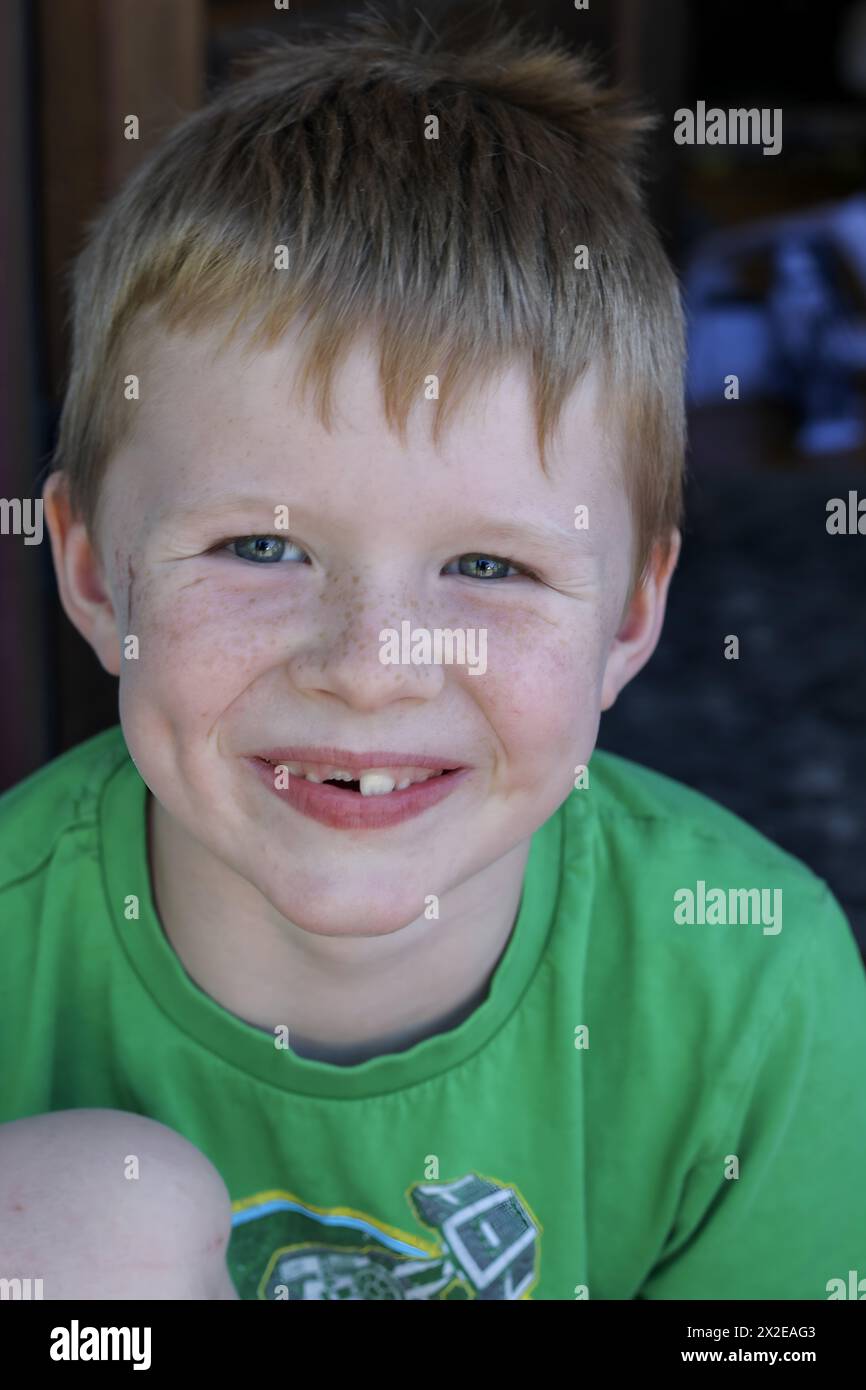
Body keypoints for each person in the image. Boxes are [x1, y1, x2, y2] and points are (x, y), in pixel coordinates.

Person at [2, 5, 865, 1302]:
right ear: (89, 571)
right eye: (258, 547)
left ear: (629, 616)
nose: (370, 663)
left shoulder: (756, 985)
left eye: (486, 567)